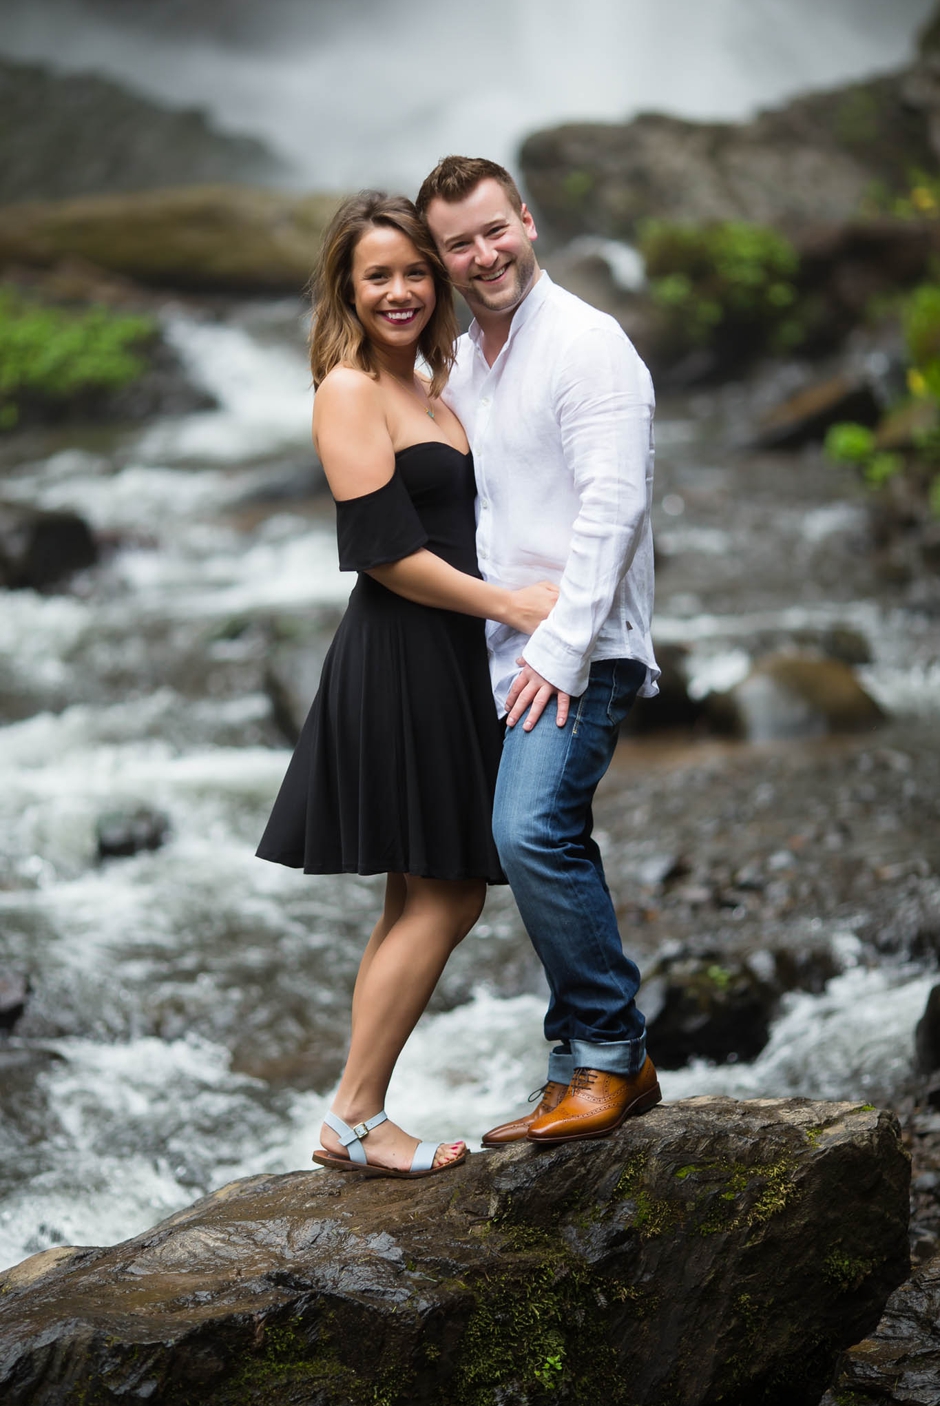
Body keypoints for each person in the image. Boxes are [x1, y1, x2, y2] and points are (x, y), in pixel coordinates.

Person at [256, 192, 558, 1178]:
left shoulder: (437, 382)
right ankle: (351, 1113)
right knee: (450, 889)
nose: (400, 290)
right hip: (401, 653)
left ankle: (356, 1117)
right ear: (347, 287)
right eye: (377, 274)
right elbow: (384, 551)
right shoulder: (349, 389)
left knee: (418, 889)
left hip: (445, 653)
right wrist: (509, 605)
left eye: (415, 271)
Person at [417, 156, 662, 1145]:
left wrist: (558, 650)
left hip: (580, 643)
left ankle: (612, 1055)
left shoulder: (586, 344)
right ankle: (571, 1066)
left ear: (526, 221)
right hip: (500, 645)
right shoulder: (468, 357)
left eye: (493, 230)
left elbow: (615, 505)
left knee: (530, 831)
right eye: (458, 244)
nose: (483, 255)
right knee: (536, 840)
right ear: (442, 258)